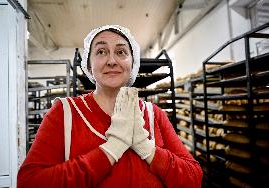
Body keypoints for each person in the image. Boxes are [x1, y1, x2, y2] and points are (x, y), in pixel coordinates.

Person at [17, 25, 203, 188]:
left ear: (133, 63)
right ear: (89, 66)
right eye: (101, 52)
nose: (112, 60)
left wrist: (147, 148)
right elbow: (30, 182)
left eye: (121, 52)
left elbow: (193, 179)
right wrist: (111, 149)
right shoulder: (65, 113)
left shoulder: (154, 114)